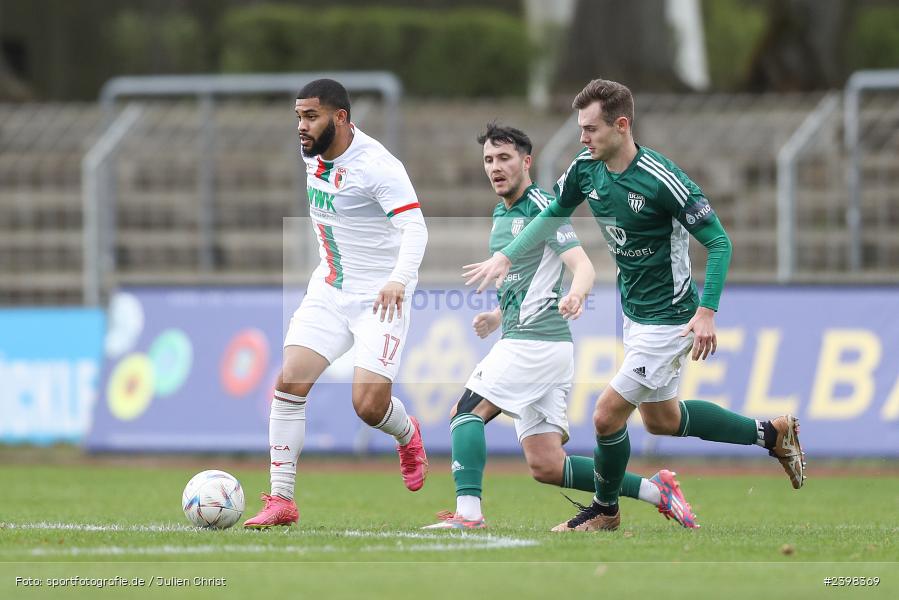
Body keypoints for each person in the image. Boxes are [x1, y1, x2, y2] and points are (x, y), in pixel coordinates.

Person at [462, 80, 805, 533]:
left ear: (621, 125)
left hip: (671, 317)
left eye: (591, 129)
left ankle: (605, 510)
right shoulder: (587, 168)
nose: (582, 138)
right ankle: (772, 433)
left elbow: (719, 243)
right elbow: (550, 215)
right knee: (663, 419)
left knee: (606, 415)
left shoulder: (663, 180)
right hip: (635, 314)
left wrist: (707, 311)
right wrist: (507, 255)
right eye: (580, 129)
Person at [423, 123, 697, 531]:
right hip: (533, 342)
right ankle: (658, 492)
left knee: (465, 412)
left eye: (504, 158)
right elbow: (530, 280)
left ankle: (468, 513)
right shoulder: (502, 213)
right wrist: (499, 316)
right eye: (488, 160)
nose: (495, 167)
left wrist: (578, 293)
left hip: (536, 343)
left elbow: (581, 266)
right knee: (547, 465)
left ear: (526, 161)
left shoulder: (541, 206)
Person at [244, 79, 430, 529]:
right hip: (328, 290)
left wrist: (398, 281)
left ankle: (407, 434)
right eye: (298, 118)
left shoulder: (378, 165)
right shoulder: (312, 151)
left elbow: (417, 228)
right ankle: (281, 500)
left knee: (367, 407)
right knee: (289, 382)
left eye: (311, 117)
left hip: (378, 299)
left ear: (341, 118)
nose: (302, 127)